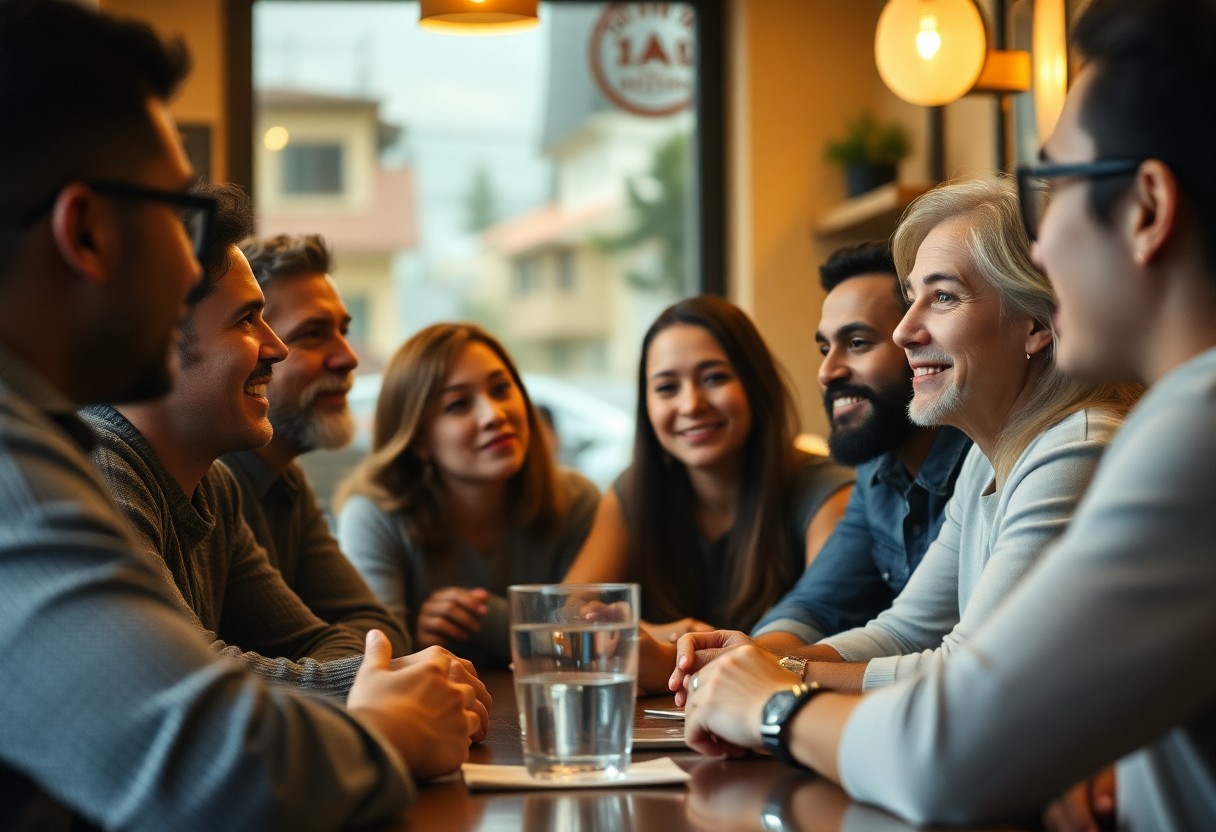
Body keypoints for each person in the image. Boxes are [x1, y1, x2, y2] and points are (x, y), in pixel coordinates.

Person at [682, 9, 1216, 815]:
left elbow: (948, 753)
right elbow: (921, 646)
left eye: (1052, 187)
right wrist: (771, 667)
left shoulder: (1186, 436)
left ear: (1145, 207)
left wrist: (772, 703)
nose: (1040, 251)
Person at [0, 2, 481, 827]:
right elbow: (225, 772)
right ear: (86, 231)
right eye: (177, 216)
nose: (280, 350)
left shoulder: (52, 442)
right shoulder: (19, 471)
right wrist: (386, 728)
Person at [676, 177, 1136, 697]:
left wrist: (784, 674)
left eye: (942, 297)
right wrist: (749, 659)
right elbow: (902, 631)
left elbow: (969, 672)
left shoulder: (1076, 446)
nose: (904, 331)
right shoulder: (990, 459)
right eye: (912, 298)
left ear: (1035, 323)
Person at [562, 295, 854, 689]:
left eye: (714, 378)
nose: (691, 404)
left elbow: (829, 631)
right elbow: (562, 614)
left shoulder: (825, 493)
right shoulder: (634, 491)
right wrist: (654, 630)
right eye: (667, 387)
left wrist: (672, 657)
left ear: (755, 383)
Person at [749, 242, 972, 652]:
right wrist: (734, 660)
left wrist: (765, 672)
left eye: (857, 343)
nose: (827, 371)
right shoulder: (877, 471)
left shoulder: (987, 462)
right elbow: (814, 605)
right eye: (824, 348)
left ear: (919, 344)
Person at [336, 323, 599, 668]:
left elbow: (589, 643)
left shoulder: (575, 499)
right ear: (417, 440)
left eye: (502, 388)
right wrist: (419, 644)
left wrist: (484, 616)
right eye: (459, 404)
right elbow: (377, 663)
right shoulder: (373, 515)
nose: (494, 415)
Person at [221, 232, 409, 652]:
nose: (349, 357)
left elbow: (380, 628)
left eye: (343, 330)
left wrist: (321, 659)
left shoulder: (286, 483)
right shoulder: (208, 482)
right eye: (313, 333)